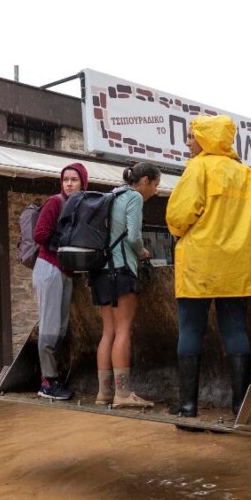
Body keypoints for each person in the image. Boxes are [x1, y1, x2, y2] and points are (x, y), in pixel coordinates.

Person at [165, 115, 251, 419]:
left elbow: (179, 216)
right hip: (237, 269)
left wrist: (179, 232)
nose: (189, 143)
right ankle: (238, 407)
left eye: (192, 137)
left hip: (200, 264)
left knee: (191, 330)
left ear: (205, 139)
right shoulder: (248, 174)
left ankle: (188, 407)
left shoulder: (198, 169)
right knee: (235, 329)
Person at [91, 162, 161, 409]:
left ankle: (104, 393)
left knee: (108, 332)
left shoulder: (111, 195)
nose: (155, 190)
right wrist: (141, 250)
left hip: (100, 271)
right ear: (145, 180)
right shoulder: (134, 198)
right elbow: (132, 236)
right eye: (155, 184)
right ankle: (122, 394)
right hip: (121, 270)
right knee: (123, 331)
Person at [32, 163, 88, 400]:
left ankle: (54, 375)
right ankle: (47, 382)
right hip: (50, 269)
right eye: (65, 179)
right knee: (50, 327)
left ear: (83, 183)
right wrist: (65, 244)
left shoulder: (82, 205)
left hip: (65, 272)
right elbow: (40, 234)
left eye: (74, 180)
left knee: (61, 327)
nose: (69, 184)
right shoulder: (56, 202)